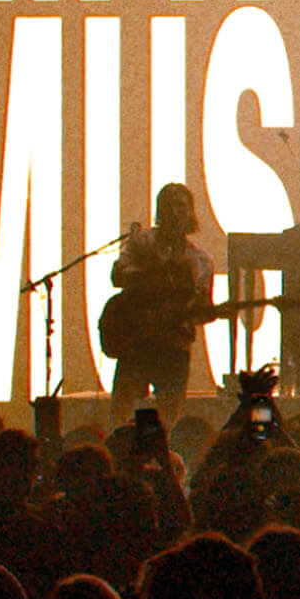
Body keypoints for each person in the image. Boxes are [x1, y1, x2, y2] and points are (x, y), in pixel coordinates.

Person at [100, 182, 216, 424]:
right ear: (159, 211)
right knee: (121, 415)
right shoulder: (142, 243)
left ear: (190, 212)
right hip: (136, 343)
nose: (175, 213)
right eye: (169, 206)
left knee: (169, 420)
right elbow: (118, 276)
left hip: (173, 347)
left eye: (181, 207)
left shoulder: (201, 260)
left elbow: (202, 310)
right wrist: (156, 275)